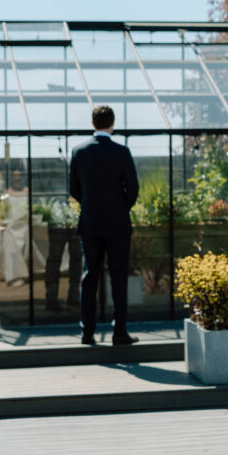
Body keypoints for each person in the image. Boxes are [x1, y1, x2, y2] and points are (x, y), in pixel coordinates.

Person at [69, 105, 139, 345]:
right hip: (118, 224)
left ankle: (87, 332)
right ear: (112, 124)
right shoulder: (121, 152)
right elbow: (133, 189)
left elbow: (73, 189)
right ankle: (119, 332)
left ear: (93, 124)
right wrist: (120, 208)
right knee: (118, 278)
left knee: (90, 276)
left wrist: (90, 206)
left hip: (90, 223)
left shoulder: (79, 152)